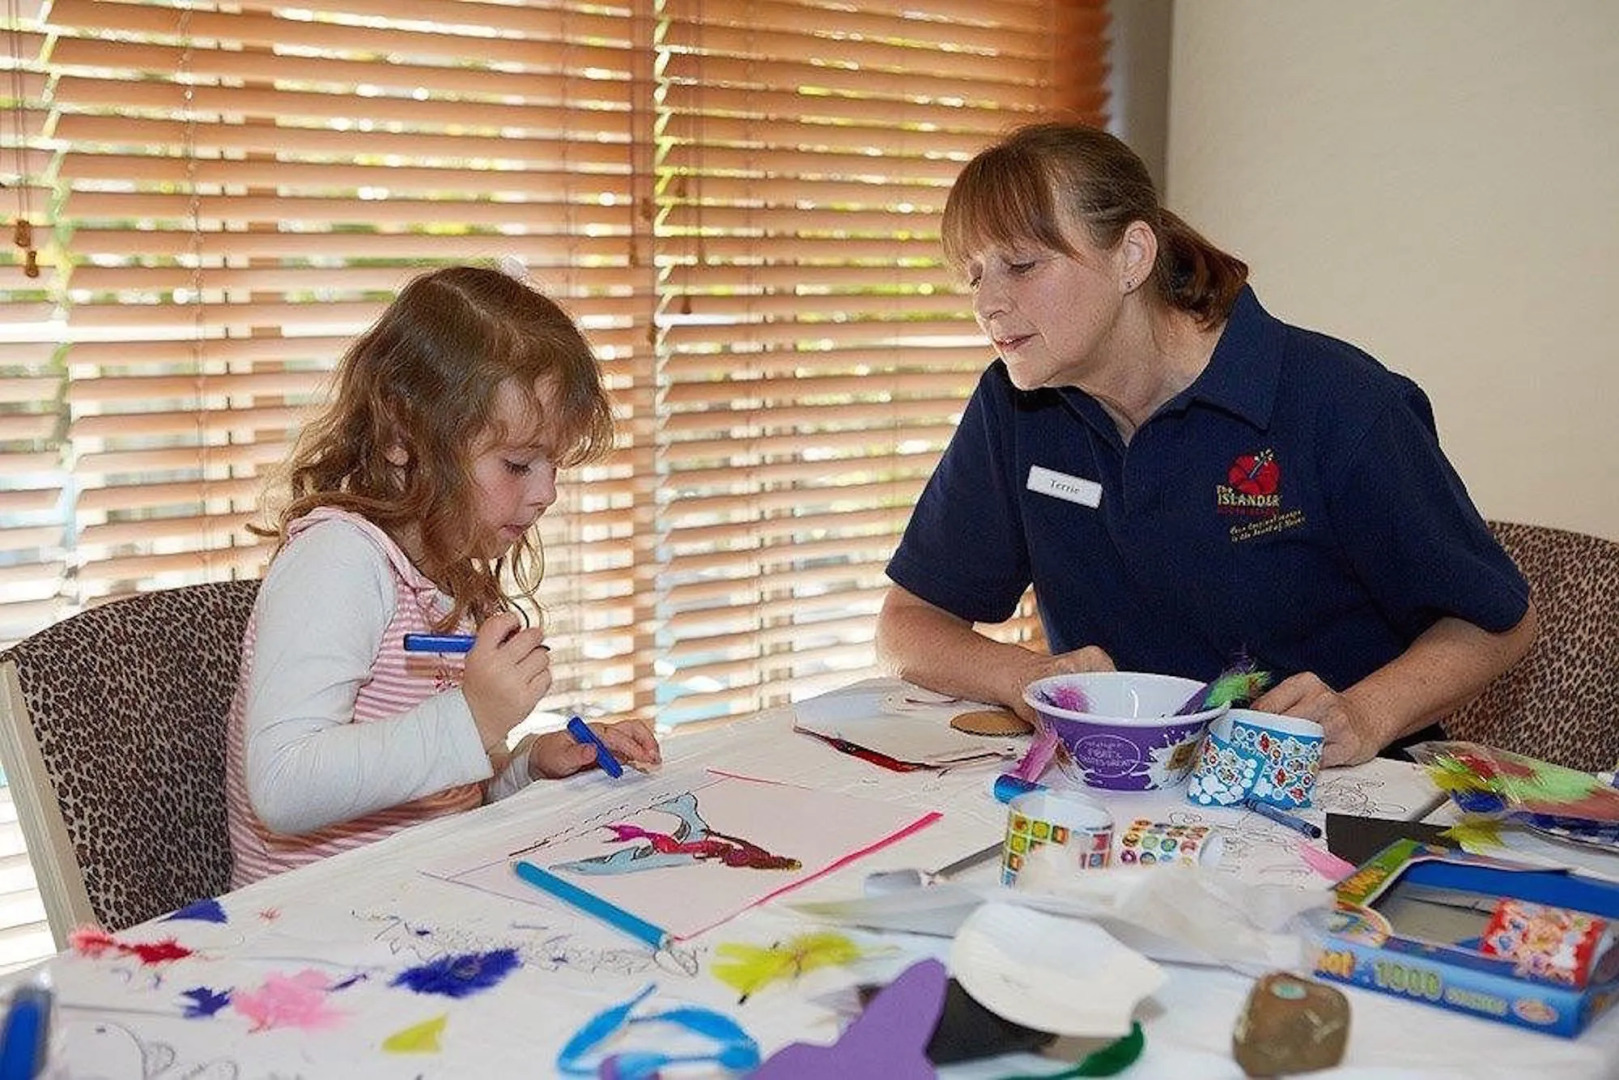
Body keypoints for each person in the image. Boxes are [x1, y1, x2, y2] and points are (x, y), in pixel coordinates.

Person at [876, 122, 1536, 769]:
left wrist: (1364, 714)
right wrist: (1022, 675)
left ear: (1131, 258)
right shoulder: (1016, 406)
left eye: (1021, 265)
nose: (988, 303)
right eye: (973, 277)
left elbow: (1499, 623)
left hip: (1328, 797)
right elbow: (906, 624)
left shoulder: (1335, 400)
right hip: (1119, 789)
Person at [226, 265, 661, 887]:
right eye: (517, 464)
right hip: (310, 931)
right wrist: (474, 716)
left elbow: (445, 795)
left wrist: (531, 766)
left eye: (551, 464)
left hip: (423, 902)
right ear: (405, 436)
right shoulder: (338, 561)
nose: (547, 493)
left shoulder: (455, 575)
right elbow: (283, 783)